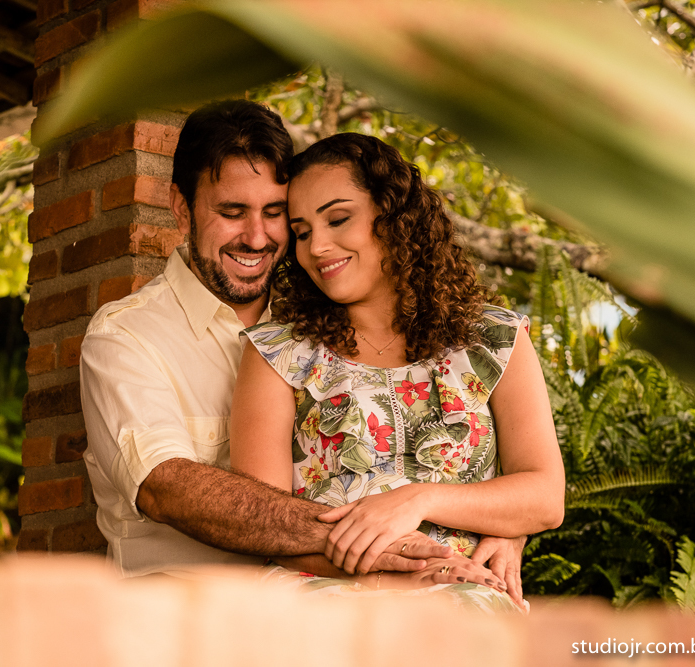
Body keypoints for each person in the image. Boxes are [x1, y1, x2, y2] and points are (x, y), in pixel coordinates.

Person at [81, 100, 525, 597]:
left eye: (275, 214)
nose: (257, 238)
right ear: (182, 209)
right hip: (181, 612)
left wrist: (501, 523)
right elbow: (167, 489)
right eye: (231, 212)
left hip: (336, 596)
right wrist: (394, 551)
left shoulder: (322, 323)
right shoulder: (126, 337)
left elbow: (483, 467)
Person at [231, 132, 565, 610]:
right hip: (322, 593)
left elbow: (545, 497)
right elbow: (265, 525)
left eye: (338, 219)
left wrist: (419, 499)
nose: (317, 246)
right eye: (302, 232)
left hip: (465, 592)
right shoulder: (277, 353)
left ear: (394, 217)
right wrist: (396, 576)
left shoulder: (494, 339)